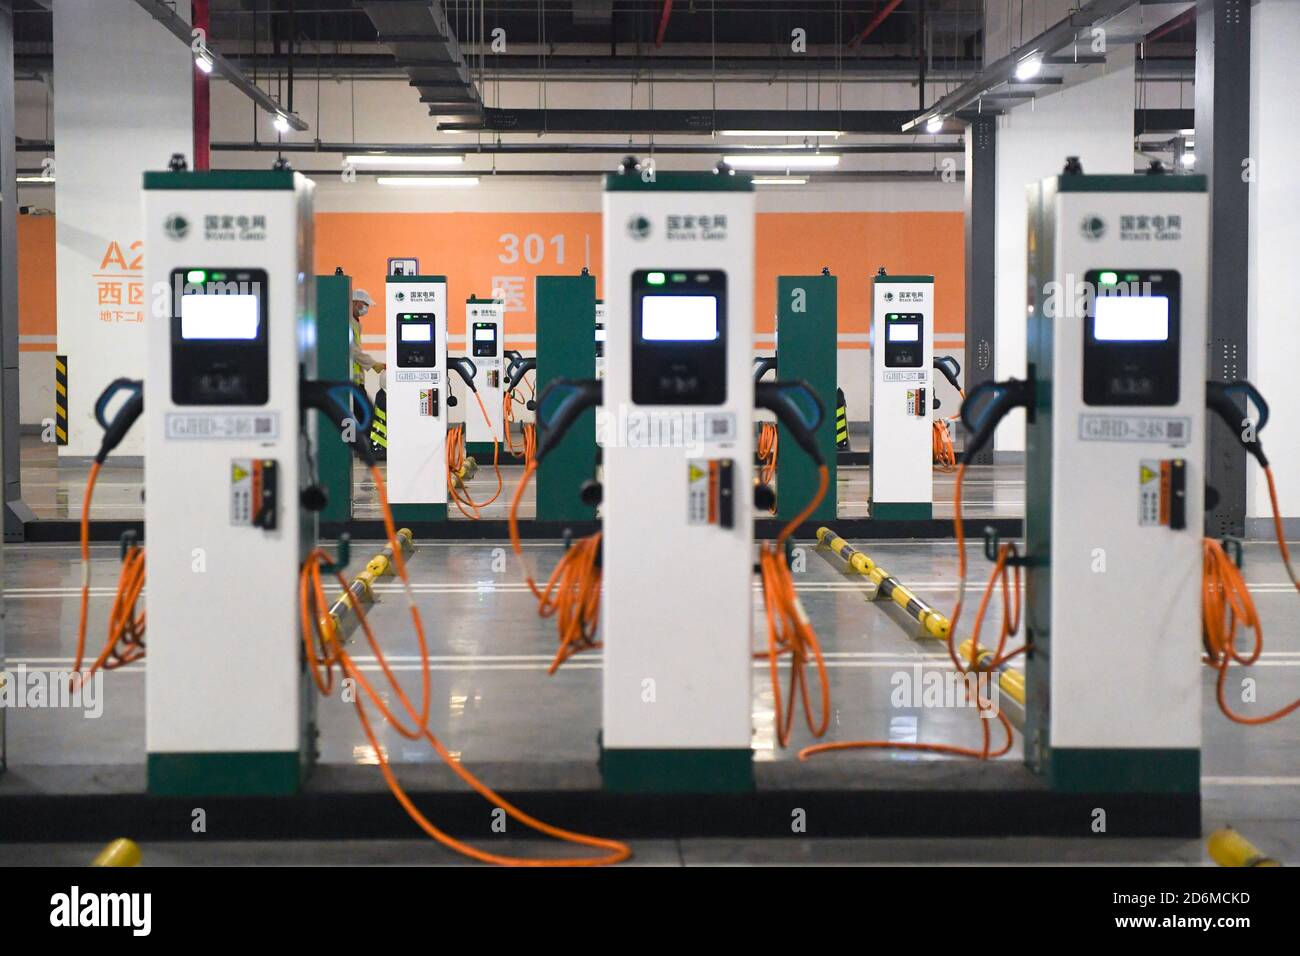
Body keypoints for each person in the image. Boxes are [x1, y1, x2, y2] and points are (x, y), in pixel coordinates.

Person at [350, 289, 388, 458]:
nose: (366, 309)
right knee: (366, 413)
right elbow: (353, 351)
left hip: (357, 380)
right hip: (351, 380)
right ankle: (370, 449)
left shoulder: (355, 322)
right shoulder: (348, 323)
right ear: (356, 302)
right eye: (365, 305)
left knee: (365, 413)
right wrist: (374, 364)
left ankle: (369, 448)